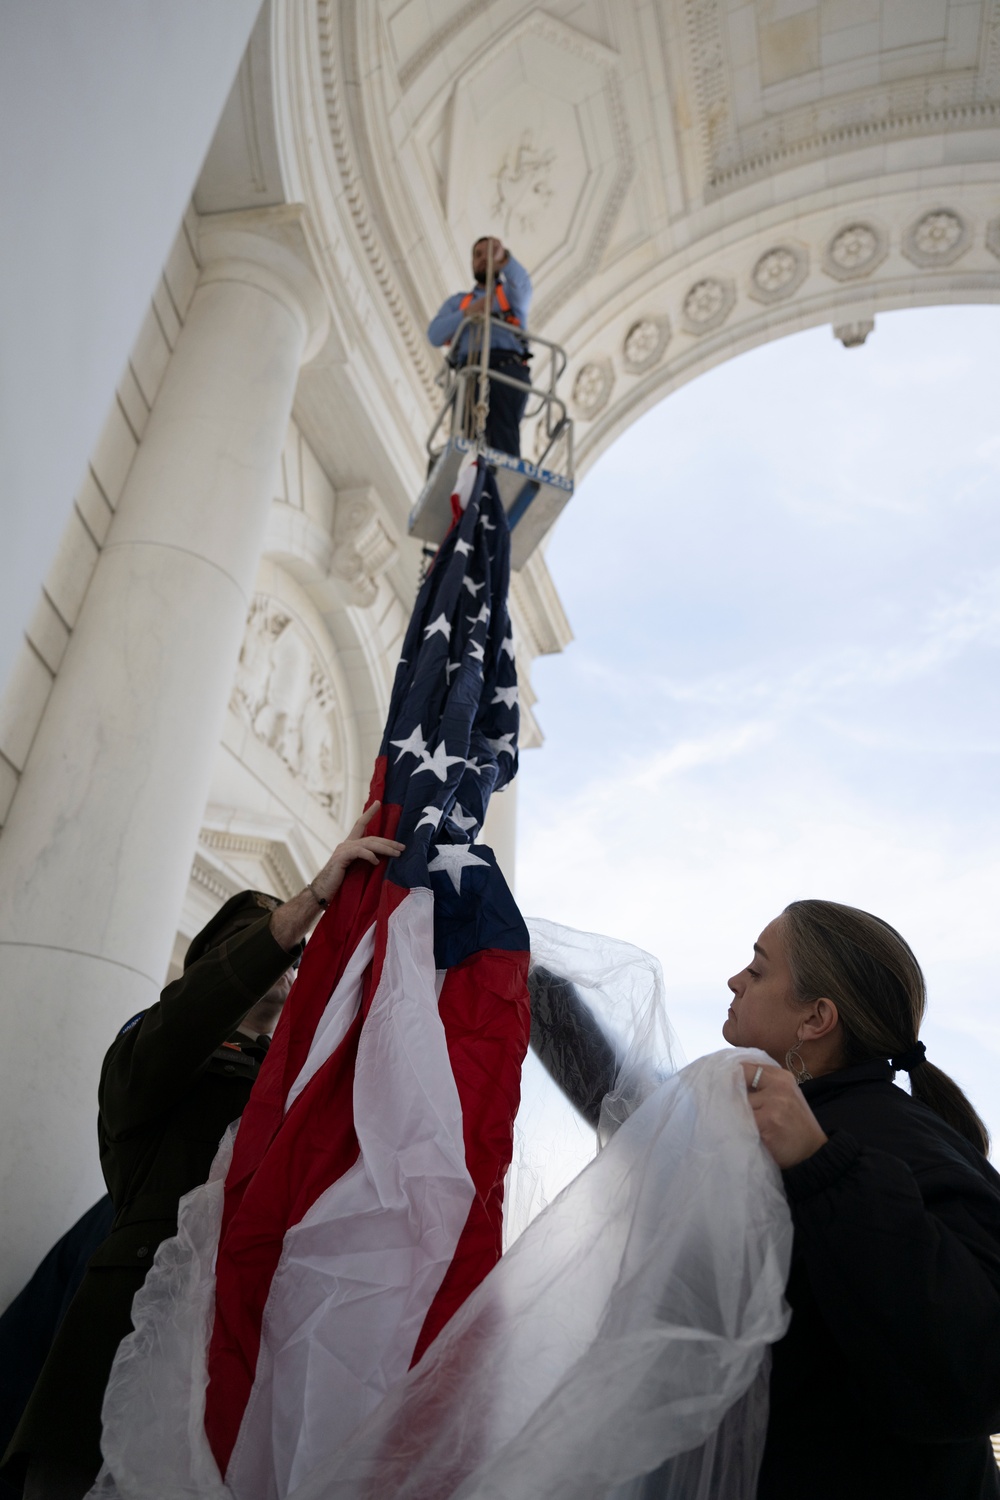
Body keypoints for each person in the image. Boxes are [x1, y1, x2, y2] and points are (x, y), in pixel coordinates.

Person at [2, 806, 404, 1500]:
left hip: (234, 1370)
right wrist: (307, 903)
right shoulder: (154, 1051)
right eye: (257, 940)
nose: (286, 954)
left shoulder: (292, 1082)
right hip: (119, 1363)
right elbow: (186, 1019)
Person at [725, 899, 1000, 1500]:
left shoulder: (895, 1139)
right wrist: (530, 981)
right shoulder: (774, 1126)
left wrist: (823, 1169)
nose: (734, 980)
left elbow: (976, 1371)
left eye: (759, 968)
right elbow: (629, 1103)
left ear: (816, 1019)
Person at [427, 236, 532, 457]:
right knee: (468, 435)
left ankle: (500, 477)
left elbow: (522, 287)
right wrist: (468, 313)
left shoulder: (509, 296)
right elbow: (435, 334)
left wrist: (502, 258)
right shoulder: (459, 303)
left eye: (489, 252)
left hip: (506, 369)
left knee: (503, 432)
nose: (483, 258)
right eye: (477, 254)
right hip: (469, 374)